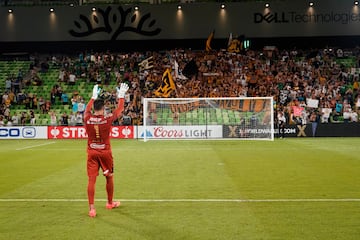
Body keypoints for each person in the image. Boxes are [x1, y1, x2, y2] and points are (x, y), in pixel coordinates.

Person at [84, 83, 129, 218]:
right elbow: (119, 109)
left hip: (92, 152)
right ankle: (110, 203)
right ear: (103, 109)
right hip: (105, 153)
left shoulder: (87, 118)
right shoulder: (107, 119)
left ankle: (92, 209)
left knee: (91, 180)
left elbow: (86, 110)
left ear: (93, 108)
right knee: (109, 177)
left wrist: (92, 97)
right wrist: (121, 95)